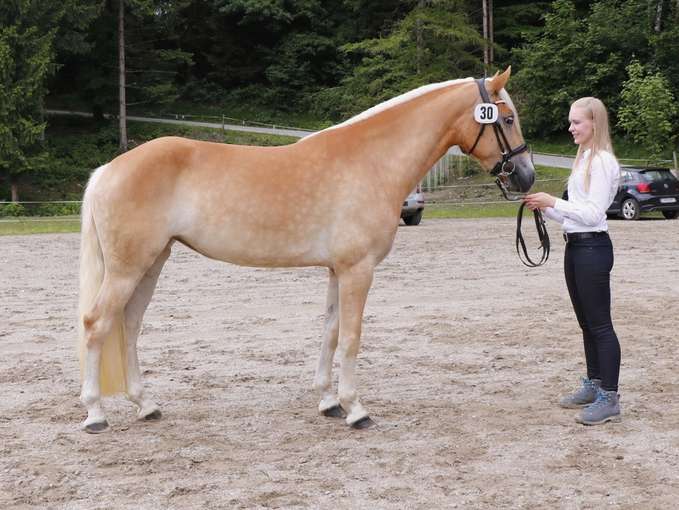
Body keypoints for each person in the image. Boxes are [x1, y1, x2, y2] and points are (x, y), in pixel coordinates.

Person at [523, 97, 622, 425]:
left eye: (577, 122)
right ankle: (595, 384)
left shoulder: (603, 162)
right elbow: (572, 217)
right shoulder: (582, 160)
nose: (570, 128)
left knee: (601, 325)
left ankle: (610, 396)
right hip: (577, 247)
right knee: (586, 324)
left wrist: (554, 201)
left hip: (593, 249)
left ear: (594, 123)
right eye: (571, 122)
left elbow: (594, 214)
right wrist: (544, 206)